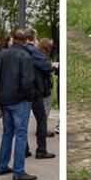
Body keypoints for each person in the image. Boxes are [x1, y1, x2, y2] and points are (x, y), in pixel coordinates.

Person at [0, 29, 39, 180]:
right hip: (20, 99)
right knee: (20, 134)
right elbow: (27, 80)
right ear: (26, 41)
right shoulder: (25, 56)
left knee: (7, 133)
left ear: (12, 39)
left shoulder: (2, 55)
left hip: (4, 99)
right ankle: (18, 171)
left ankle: (2, 165)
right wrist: (29, 97)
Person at [24, 28, 57, 159]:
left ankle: (24, 148)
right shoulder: (33, 51)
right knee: (41, 118)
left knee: (23, 121)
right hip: (35, 89)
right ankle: (41, 149)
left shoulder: (18, 51)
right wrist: (53, 65)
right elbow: (46, 66)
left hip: (22, 90)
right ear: (33, 38)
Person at [38, 38, 58, 136]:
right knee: (46, 107)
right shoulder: (43, 58)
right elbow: (48, 70)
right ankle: (42, 129)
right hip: (46, 85)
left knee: (44, 107)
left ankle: (41, 128)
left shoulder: (38, 56)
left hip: (42, 85)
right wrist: (53, 66)